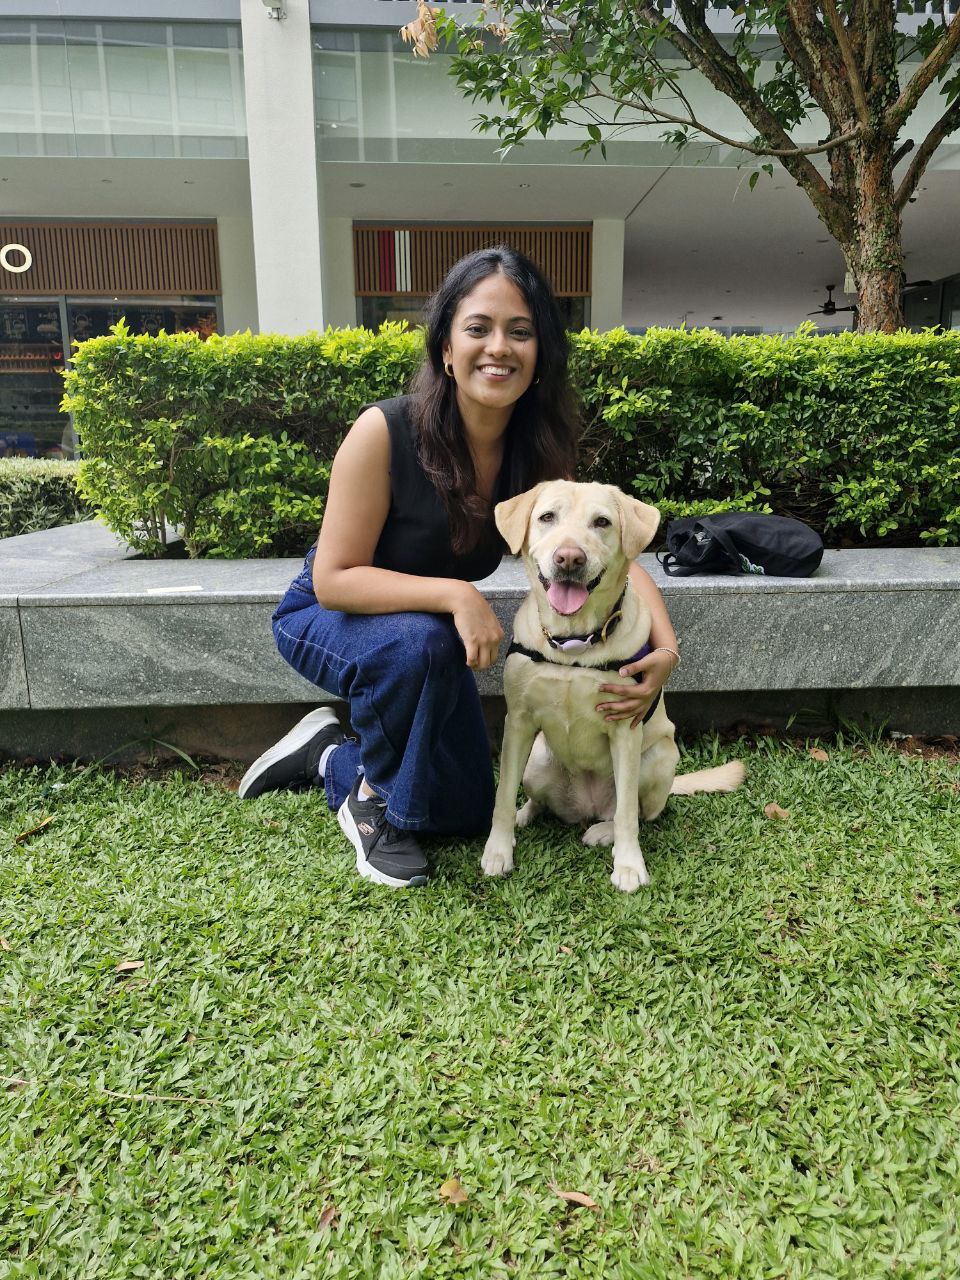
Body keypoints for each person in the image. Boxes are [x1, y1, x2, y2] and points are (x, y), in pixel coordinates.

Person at [239, 246, 680, 888]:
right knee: (424, 643)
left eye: (520, 332)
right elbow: (335, 578)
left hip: (428, 636)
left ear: (539, 357)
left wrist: (663, 652)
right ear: (446, 348)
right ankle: (374, 805)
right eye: (477, 328)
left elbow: (603, 558)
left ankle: (329, 753)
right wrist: (454, 594)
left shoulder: (536, 454)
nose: (498, 346)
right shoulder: (383, 431)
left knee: (473, 806)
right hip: (326, 613)